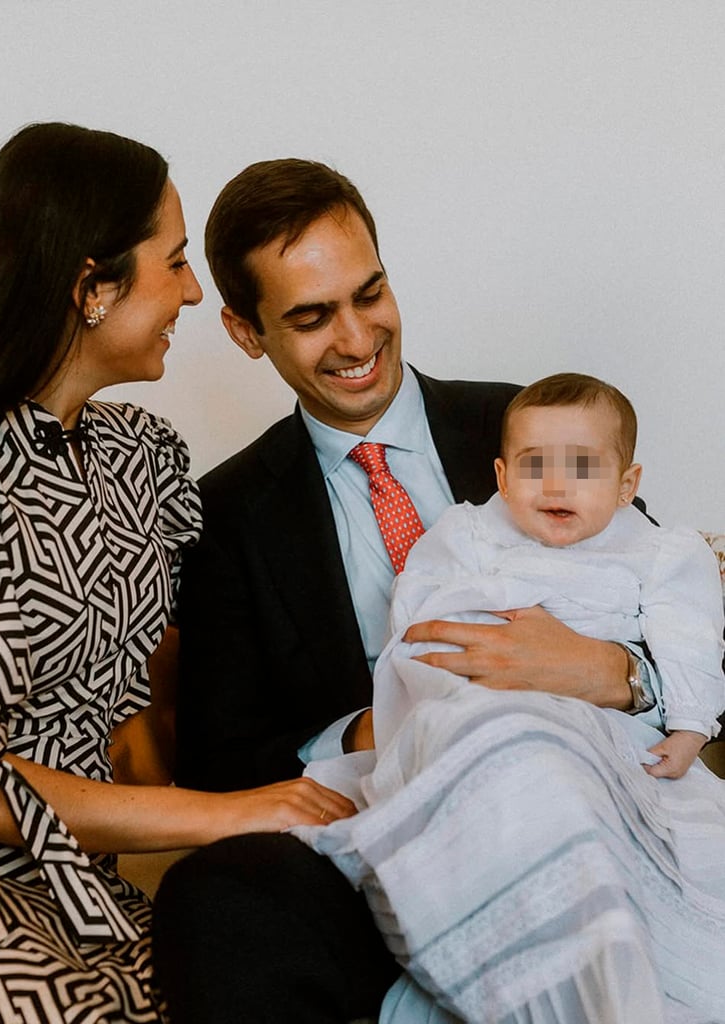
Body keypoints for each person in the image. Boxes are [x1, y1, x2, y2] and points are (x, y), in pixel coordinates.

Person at [153, 159, 665, 1023]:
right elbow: (218, 756)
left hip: (575, 789)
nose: (356, 339)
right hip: (375, 826)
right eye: (312, 317)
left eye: (369, 293)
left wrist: (606, 671)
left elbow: (675, 609)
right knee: (216, 904)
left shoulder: (529, 423)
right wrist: (389, 718)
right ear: (245, 331)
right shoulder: (225, 513)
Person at [0, 123, 354, 1024]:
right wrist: (224, 815)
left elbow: (167, 697)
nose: (192, 291)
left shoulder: (143, 461)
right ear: (91, 289)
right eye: (176, 262)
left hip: (93, 896)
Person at [295, 373, 725, 1024]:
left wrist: (690, 726)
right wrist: (451, 717)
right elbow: (419, 631)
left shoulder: (659, 553)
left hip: (611, 739)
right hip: (483, 713)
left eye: (581, 467)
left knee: (624, 827)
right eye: (533, 467)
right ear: (500, 476)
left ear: (626, 483)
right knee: (506, 756)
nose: (555, 485)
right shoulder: (468, 537)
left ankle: (608, 965)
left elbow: (690, 640)